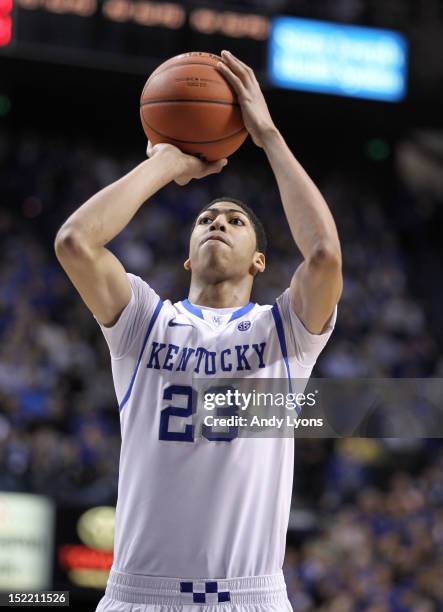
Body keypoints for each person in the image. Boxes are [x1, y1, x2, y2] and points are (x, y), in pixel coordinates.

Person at [55, 50, 342, 612]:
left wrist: (267, 135)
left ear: (260, 261)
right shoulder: (143, 320)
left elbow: (326, 254)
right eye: (206, 219)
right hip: (139, 592)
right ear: (186, 257)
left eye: (235, 221)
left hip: (250, 596)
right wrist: (166, 161)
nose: (217, 223)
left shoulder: (285, 331)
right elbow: (74, 243)